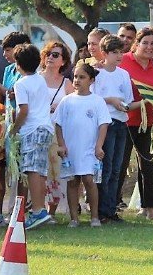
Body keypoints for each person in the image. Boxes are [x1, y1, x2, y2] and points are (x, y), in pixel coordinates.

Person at [54, 62, 109, 227]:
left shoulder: (97, 101)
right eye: (75, 77)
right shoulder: (67, 101)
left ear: (91, 80)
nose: (77, 80)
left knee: (89, 180)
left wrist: (99, 146)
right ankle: (74, 218)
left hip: (89, 149)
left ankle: (94, 217)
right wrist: (61, 145)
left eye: (82, 77)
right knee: (72, 181)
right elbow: (58, 124)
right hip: (71, 149)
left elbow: (103, 124)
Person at [120, 28, 153, 219]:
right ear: (136, 44)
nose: (149, 47)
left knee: (149, 165)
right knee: (120, 165)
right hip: (124, 121)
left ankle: (151, 209)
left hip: (148, 123)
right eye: (145, 43)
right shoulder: (123, 61)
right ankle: (110, 207)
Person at [9, 44, 56, 229]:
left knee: (33, 171)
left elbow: (24, 111)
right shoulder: (40, 80)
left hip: (32, 130)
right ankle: (38, 208)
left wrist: (14, 128)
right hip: (45, 127)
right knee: (39, 170)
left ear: (18, 64)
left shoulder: (20, 83)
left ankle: (38, 211)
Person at [92, 34, 133, 222]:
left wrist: (129, 104)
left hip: (120, 122)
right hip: (105, 124)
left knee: (117, 169)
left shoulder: (123, 74)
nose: (119, 56)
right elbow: (91, 99)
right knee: (106, 168)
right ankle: (101, 210)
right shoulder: (97, 73)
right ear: (105, 53)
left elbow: (128, 100)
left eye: (121, 52)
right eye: (114, 52)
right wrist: (111, 100)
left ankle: (111, 208)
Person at [38, 41, 74, 217]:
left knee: (56, 172)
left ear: (63, 61)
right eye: (48, 54)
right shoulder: (35, 79)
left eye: (56, 55)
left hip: (58, 132)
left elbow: (74, 107)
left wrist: (60, 106)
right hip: (38, 130)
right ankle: (36, 209)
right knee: (39, 170)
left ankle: (51, 212)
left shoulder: (67, 83)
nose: (51, 57)